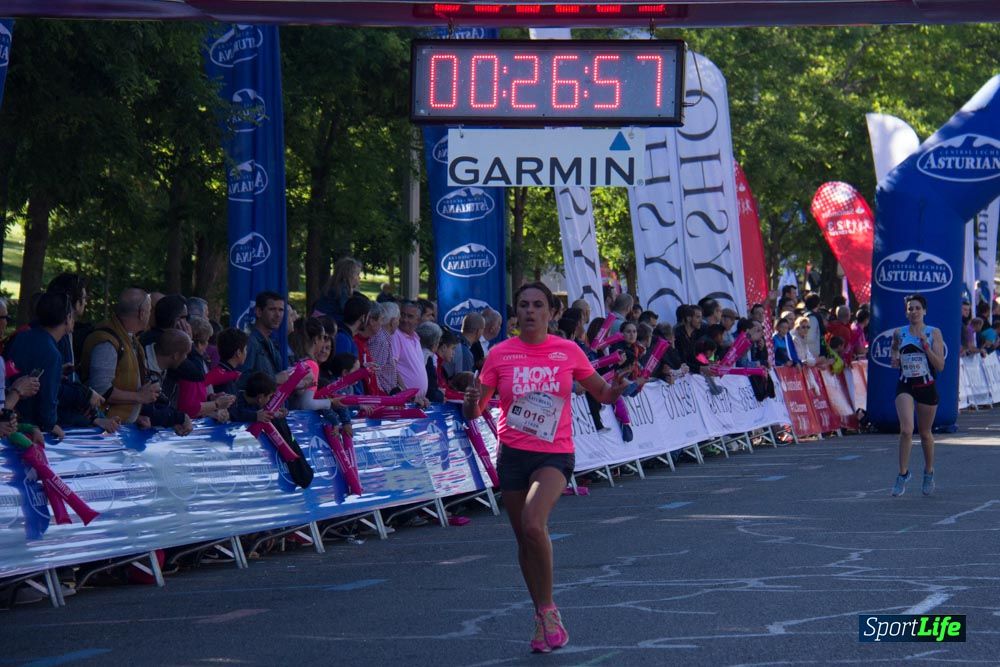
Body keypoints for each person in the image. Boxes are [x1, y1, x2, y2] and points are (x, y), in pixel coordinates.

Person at [462, 282, 629, 653]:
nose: (530, 311)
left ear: (551, 313)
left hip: (555, 454)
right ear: (516, 312)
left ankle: (550, 608)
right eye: (524, 305)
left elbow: (601, 393)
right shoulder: (500, 355)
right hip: (512, 454)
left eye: (538, 305)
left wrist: (617, 389)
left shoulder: (567, 350)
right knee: (525, 539)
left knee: (534, 523)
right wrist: (471, 401)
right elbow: (475, 412)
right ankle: (540, 613)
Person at [890, 294, 945, 497]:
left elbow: (940, 365)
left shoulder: (933, 333)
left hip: (926, 385)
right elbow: (894, 349)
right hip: (905, 384)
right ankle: (902, 473)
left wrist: (926, 346)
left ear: (924, 311)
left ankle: (928, 471)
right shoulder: (899, 333)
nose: (913, 312)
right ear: (906, 312)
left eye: (917, 308)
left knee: (924, 433)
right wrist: (894, 358)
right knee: (906, 430)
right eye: (910, 308)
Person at [80, 289, 160, 426]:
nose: (150, 314)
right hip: (103, 436)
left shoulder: (129, 339)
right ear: (142, 313)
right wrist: (139, 397)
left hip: (119, 429)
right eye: (149, 310)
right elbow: (101, 390)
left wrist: (137, 417)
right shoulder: (107, 342)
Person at [392, 301, 429, 402]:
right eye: (402, 315)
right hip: (404, 400)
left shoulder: (416, 338)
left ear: (418, 320)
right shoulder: (396, 335)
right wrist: (407, 394)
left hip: (415, 401)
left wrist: (420, 397)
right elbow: (391, 368)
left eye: (410, 316)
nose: (404, 319)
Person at [313, 256, 362, 322]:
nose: (359, 278)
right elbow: (347, 310)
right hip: (326, 320)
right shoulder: (342, 289)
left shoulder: (334, 286)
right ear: (349, 275)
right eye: (357, 274)